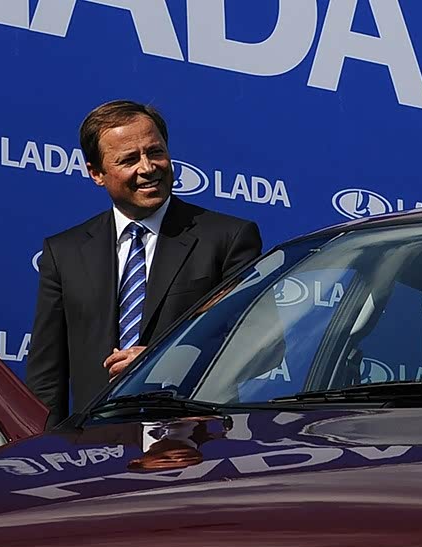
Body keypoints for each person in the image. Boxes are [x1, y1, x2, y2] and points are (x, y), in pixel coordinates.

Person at [26, 100, 263, 427]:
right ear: (96, 173)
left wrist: (162, 363)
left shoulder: (227, 238)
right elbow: (46, 377)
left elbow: (260, 347)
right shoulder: (64, 252)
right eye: (129, 159)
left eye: (155, 152)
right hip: (95, 442)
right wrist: (45, 446)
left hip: (193, 438)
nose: (148, 167)